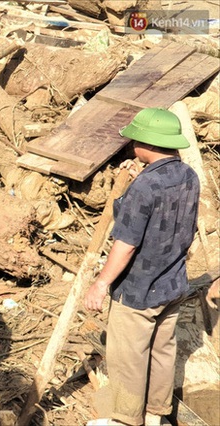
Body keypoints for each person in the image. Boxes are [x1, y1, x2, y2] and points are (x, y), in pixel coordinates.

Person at [84, 108, 200, 426]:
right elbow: (176, 223)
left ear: (144, 144)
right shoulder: (188, 176)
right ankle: (155, 415)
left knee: (127, 359)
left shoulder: (145, 188)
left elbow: (127, 243)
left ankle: (125, 419)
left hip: (138, 291)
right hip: (172, 283)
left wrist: (101, 283)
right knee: (162, 351)